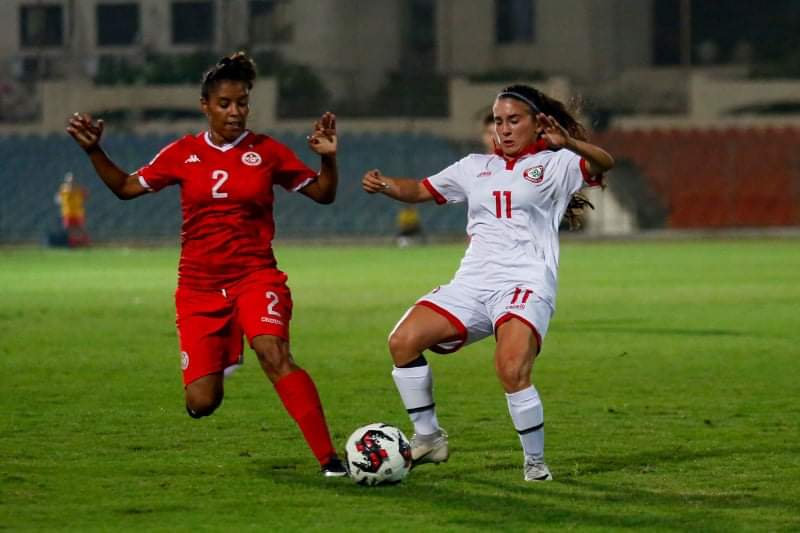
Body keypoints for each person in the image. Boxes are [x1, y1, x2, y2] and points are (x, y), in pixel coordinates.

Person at [66, 52, 347, 477]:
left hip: (255, 276)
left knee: (273, 352)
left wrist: (328, 158)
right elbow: (125, 187)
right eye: (224, 104)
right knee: (202, 402)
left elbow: (323, 194)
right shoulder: (182, 152)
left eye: (242, 103)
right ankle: (226, 343)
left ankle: (330, 461)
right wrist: (94, 151)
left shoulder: (267, 151)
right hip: (199, 287)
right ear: (205, 106)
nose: (235, 112)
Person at [362, 84, 614, 481]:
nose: (504, 129)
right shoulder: (473, 167)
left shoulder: (557, 163)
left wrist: (567, 143)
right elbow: (420, 189)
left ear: (537, 123)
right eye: (499, 121)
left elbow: (603, 162)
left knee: (511, 369)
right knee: (402, 341)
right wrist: (386, 185)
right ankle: (429, 438)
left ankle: (535, 464)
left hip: (526, 283)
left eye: (514, 120)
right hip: (473, 282)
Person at [54, 171, 90, 247]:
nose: (71, 182)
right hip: (67, 213)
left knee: (80, 228)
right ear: (66, 181)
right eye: (69, 180)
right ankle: (73, 243)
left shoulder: (78, 188)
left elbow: (86, 196)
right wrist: (61, 200)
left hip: (78, 213)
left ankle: (85, 242)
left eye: (72, 180)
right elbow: (57, 199)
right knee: (68, 228)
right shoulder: (63, 189)